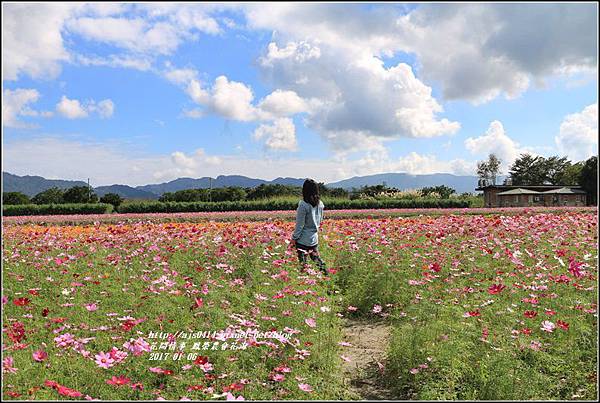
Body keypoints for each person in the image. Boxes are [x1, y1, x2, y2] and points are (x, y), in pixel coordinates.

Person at [290, 179, 326, 273]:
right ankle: (327, 275)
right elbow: (320, 221)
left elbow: (300, 225)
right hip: (314, 238)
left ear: (304, 190)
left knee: (303, 265)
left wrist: (294, 238)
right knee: (317, 261)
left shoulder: (303, 205)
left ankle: (305, 282)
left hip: (303, 240)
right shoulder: (320, 204)